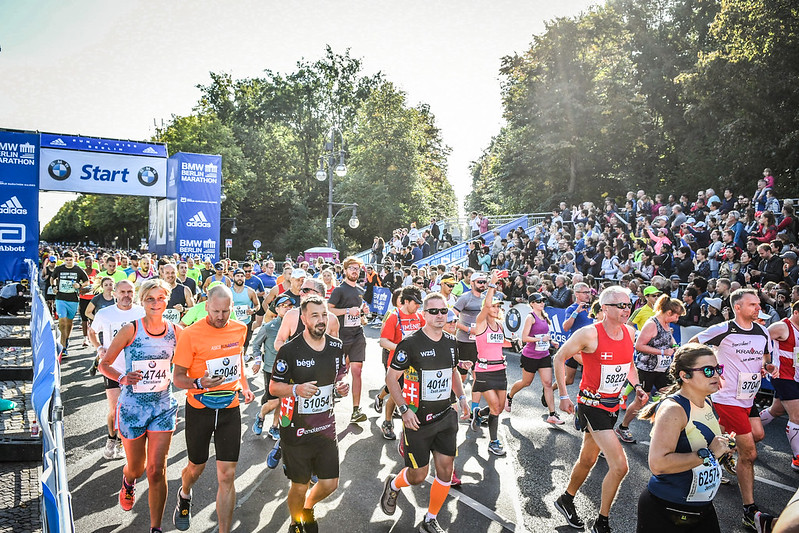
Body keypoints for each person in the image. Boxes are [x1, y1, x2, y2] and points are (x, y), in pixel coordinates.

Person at [553, 286, 648, 533]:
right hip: (591, 406)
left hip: (612, 406)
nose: (626, 309)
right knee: (620, 466)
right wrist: (563, 395)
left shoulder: (629, 332)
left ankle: (566, 499)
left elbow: (628, 365)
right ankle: (602, 522)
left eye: (629, 305)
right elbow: (559, 357)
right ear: (605, 308)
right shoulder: (589, 334)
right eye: (620, 305)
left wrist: (636, 386)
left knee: (588, 459)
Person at [380, 292, 471, 533]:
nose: (440, 316)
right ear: (424, 314)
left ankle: (430, 519)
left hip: (445, 417)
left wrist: (462, 398)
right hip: (417, 421)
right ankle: (394, 483)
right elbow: (391, 378)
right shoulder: (410, 343)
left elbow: (452, 373)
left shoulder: (451, 342)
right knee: (418, 475)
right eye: (434, 311)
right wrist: (404, 410)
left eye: (444, 311)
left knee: (446, 469)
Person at [170, 284, 255, 533]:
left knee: (227, 475)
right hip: (200, 408)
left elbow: (237, 358)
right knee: (196, 467)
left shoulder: (239, 328)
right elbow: (178, 378)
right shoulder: (191, 334)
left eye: (226, 311)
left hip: (229, 406)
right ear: (206, 306)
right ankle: (184, 495)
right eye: (216, 311)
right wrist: (199, 383)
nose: (220, 317)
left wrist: (245, 385)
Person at [98, 279, 181, 533]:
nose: (156, 303)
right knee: (137, 467)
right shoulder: (130, 330)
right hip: (133, 408)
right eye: (150, 299)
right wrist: (122, 378)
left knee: (156, 470)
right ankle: (129, 480)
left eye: (160, 298)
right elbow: (104, 364)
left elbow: (191, 359)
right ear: (142, 302)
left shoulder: (177, 331)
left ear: (167, 300)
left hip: (162, 407)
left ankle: (156, 528)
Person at [689, 288, 775, 529]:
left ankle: (722, 448)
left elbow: (766, 358)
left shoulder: (762, 331)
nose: (759, 308)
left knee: (758, 435)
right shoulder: (723, 329)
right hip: (727, 398)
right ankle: (749, 510)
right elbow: (692, 345)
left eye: (759, 304)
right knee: (749, 455)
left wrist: (768, 368)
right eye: (753, 305)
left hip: (749, 397)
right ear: (738, 307)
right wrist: (709, 370)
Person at [269, 295, 350, 533]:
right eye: (315, 315)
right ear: (303, 319)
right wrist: (296, 389)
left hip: (325, 428)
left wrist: (341, 385)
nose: (321, 320)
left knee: (330, 484)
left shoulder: (336, 347)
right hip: (296, 431)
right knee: (299, 484)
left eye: (324, 314)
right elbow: (274, 387)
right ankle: (295, 523)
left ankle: (308, 507)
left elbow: (340, 375)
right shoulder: (289, 350)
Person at [635, 344, 735, 532]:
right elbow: (658, 464)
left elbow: (701, 448)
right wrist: (710, 452)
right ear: (685, 375)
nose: (716, 375)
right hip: (667, 510)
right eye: (707, 370)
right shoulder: (674, 410)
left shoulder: (706, 400)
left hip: (702, 507)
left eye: (717, 369)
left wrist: (723, 449)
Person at [615, 295, 684, 443]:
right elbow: (639, 346)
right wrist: (662, 352)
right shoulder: (652, 324)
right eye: (677, 315)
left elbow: (670, 340)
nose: (678, 319)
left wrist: (675, 347)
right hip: (646, 368)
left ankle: (662, 427)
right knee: (641, 400)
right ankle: (623, 427)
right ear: (669, 312)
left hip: (662, 368)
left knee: (670, 395)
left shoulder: (666, 325)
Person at [90, 279, 145, 460]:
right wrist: (99, 348)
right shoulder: (105, 313)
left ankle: (122, 441)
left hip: (135, 369)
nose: (126, 296)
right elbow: (91, 331)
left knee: (130, 408)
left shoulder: (141, 312)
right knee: (115, 409)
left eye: (130, 292)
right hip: (112, 367)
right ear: (115, 294)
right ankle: (111, 438)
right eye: (122, 292)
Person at [468, 271, 510, 455]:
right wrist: (492, 284)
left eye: (498, 305)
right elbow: (485, 305)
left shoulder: (499, 326)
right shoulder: (480, 322)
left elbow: (500, 344)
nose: (495, 308)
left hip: (500, 370)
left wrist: (516, 343)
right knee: (494, 406)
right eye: (493, 305)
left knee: (499, 408)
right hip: (484, 371)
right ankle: (493, 441)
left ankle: (479, 414)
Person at [506, 292, 563, 424]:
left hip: (544, 355)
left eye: (543, 300)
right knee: (526, 382)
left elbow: (545, 334)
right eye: (538, 301)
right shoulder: (530, 318)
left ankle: (552, 414)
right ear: (532, 304)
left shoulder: (544, 316)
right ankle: (509, 396)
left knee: (548, 384)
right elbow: (525, 338)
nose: (542, 303)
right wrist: (541, 339)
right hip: (530, 356)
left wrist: (551, 342)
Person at [377, 286, 424, 440]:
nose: (418, 306)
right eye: (415, 303)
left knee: (407, 394)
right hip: (397, 364)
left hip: (415, 365)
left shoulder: (419, 316)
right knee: (395, 393)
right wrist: (403, 349)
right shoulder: (393, 316)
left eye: (419, 303)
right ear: (406, 301)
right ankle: (388, 422)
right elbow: (383, 341)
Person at [327, 256, 370, 424]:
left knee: (357, 371)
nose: (354, 271)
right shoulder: (339, 290)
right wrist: (346, 311)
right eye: (351, 268)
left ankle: (356, 410)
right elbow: (329, 310)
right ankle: (327, 403)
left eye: (357, 269)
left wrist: (363, 312)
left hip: (358, 334)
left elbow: (359, 314)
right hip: (341, 336)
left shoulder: (360, 290)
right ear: (344, 271)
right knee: (335, 372)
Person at [765, 301, 799, 471]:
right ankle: (797, 458)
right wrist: (766, 363)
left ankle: (747, 432)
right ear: (797, 312)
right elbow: (760, 340)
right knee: (797, 416)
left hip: (796, 377)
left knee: (776, 411)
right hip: (784, 377)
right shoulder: (782, 326)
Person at [51, 251, 89, 355]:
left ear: (74, 259)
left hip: (73, 299)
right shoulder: (59, 269)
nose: (68, 262)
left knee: (69, 322)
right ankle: (63, 346)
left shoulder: (78, 270)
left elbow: (87, 281)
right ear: (63, 260)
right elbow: (52, 278)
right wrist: (53, 287)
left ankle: (66, 339)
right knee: (62, 321)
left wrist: (79, 285)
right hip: (60, 298)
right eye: (66, 260)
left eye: (70, 260)